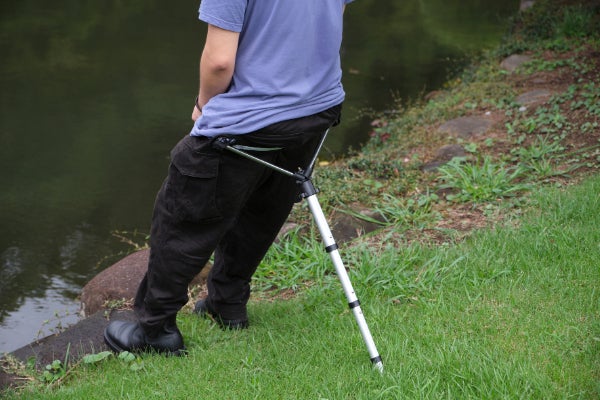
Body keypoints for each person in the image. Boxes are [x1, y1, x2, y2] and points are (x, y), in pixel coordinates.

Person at [104, 0, 355, 355]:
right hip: (318, 111)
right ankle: (227, 303)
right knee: (263, 208)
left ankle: (155, 329)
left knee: (182, 216)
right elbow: (329, 20)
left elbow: (220, 62)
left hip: (251, 119)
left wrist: (204, 105)